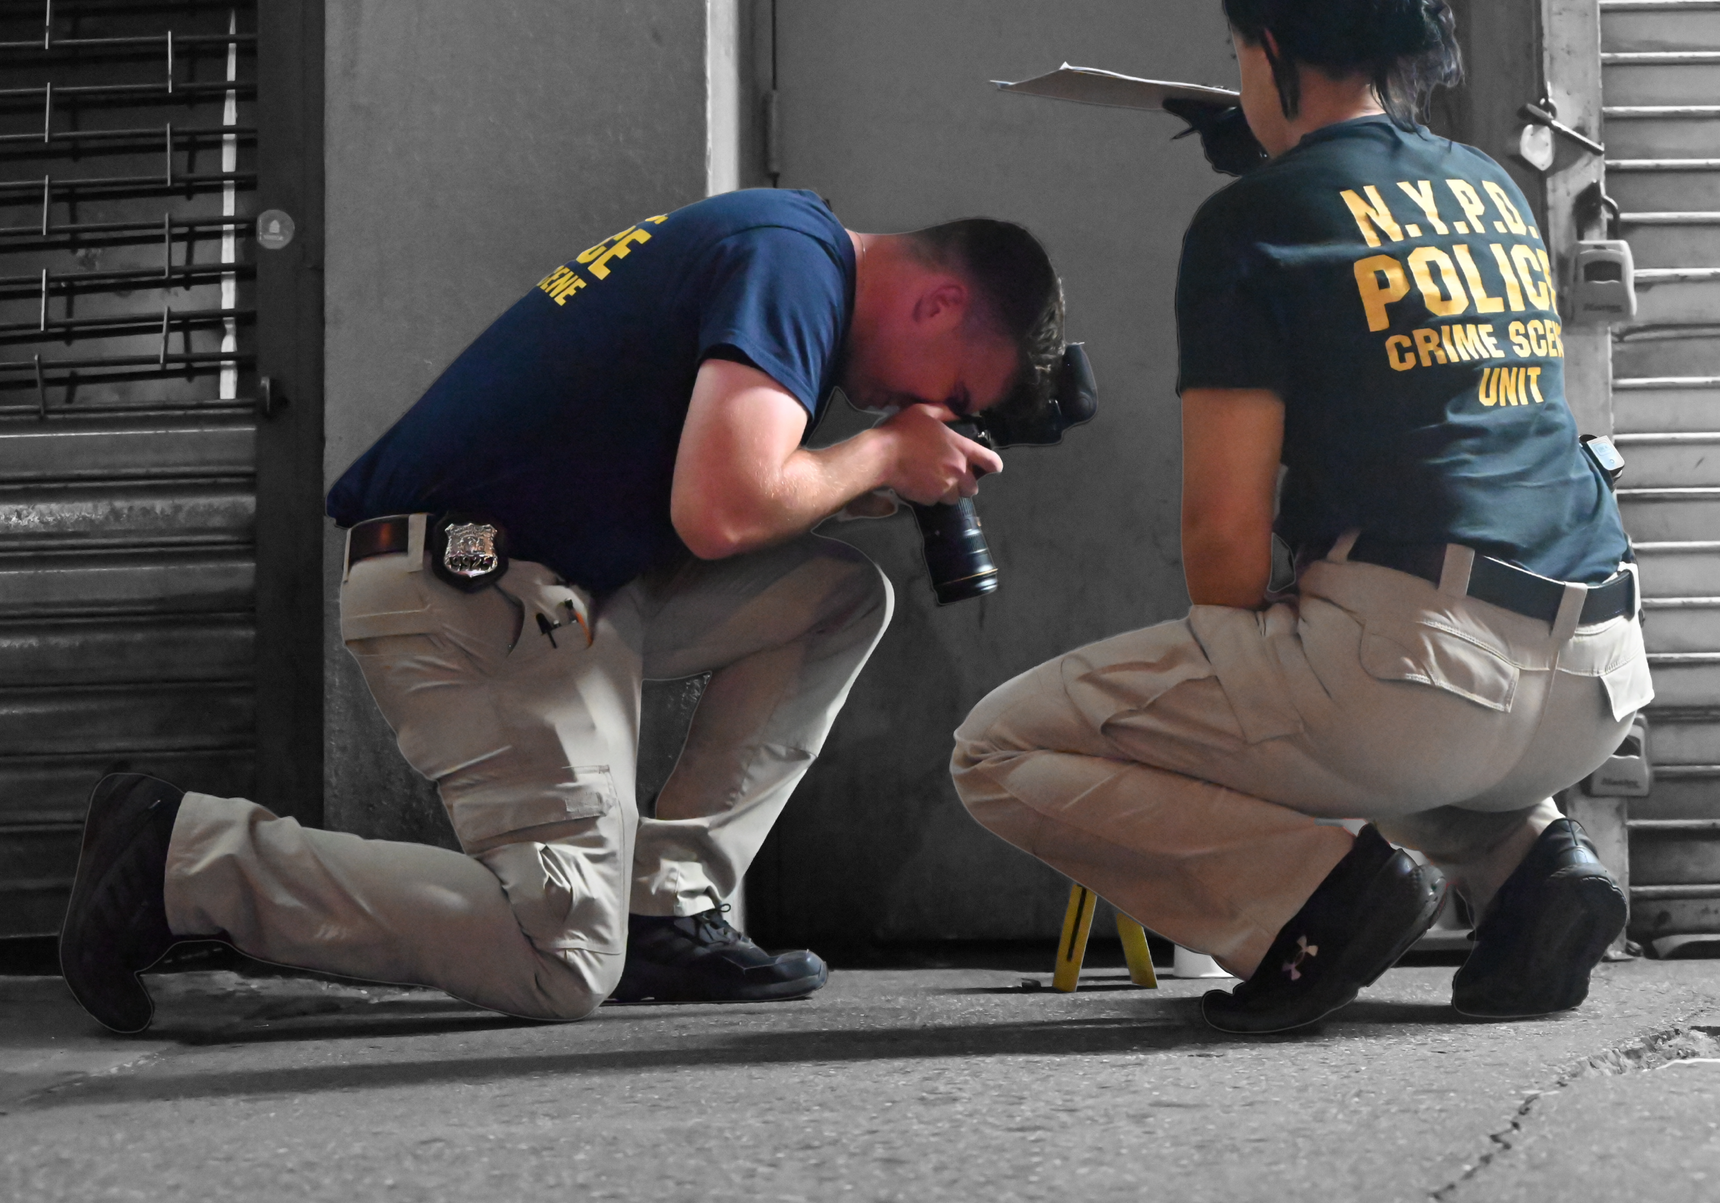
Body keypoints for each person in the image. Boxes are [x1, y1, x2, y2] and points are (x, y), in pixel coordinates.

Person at [60, 187, 1065, 1033]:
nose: (939, 413)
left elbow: (707, 495)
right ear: (937, 303)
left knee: (837, 595)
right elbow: (720, 510)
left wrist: (874, 475)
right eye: (959, 392)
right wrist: (885, 454)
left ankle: (665, 907)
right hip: (467, 597)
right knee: (562, 963)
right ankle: (186, 854)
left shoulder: (780, 241)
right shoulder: (793, 268)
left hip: (561, 586)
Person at [951, 0, 1651, 1035]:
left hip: (1417, 677)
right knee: (1380, 691)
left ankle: (1314, 903)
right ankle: (1533, 868)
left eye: (1236, 52)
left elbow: (1222, 536)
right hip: (1594, 685)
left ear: (1269, 50)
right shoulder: (1490, 186)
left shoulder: (1250, 224)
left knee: (996, 747)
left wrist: (1252, 703)